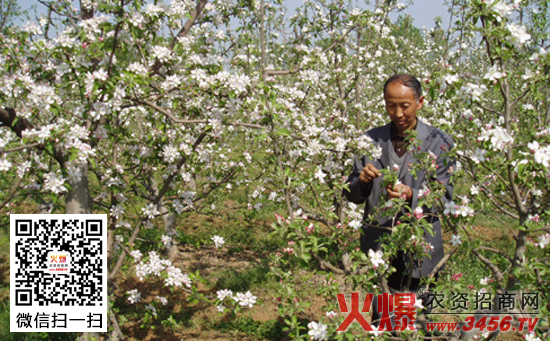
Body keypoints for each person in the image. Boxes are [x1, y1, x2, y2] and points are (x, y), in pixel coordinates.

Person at [344, 74, 455, 292]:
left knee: (418, 317)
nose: (398, 114)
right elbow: (352, 194)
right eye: (390, 106)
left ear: (420, 102)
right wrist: (362, 182)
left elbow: (444, 198)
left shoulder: (439, 142)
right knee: (382, 316)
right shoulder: (370, 141)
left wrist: (412, 194)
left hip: (421, 250)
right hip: (378, 247)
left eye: (405, 106)